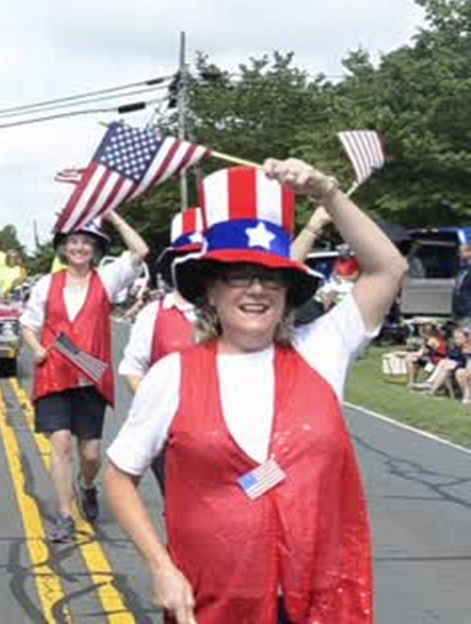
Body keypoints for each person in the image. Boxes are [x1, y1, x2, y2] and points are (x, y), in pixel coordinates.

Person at [105, 160, 406, 624]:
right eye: (238, 275)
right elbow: (120, 476)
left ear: (288, 290)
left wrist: (326, 191)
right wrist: (162, 568)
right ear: (210, 290)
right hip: (215, 602)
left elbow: (388, 268)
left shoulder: (320, 350)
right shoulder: (172, 376)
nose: (256, 290)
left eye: (270, 277)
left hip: (319, 599)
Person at [19, 213, 148, 541]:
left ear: (95, 250)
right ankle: (65, 513)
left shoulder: (106, 279)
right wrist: (36, 348)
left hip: (90, 375)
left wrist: (115, 217)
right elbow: (29, 324)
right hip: (55, 374)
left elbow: (140, 251)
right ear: (64, 248)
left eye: (86, 243)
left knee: (90, 453)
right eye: (73, 242)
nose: (79, 248)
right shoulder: (47, 283)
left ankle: (87, 485)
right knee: (60, 443)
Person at [116, 207, 204, 493]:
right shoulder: (155, 313)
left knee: (244, 506)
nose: (193, 265)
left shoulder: (233, 313)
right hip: (172, 438)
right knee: (183, 513)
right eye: (185, 257)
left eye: (201, 257)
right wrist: (164, 413)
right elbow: (132, 370)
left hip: (236, 440)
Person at [453, 243, 471, 325]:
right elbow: (458, 289)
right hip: (459, 310)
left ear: (469, 252)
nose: (459, 254)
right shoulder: (462, 269)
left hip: (468, 310)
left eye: (461, 252)